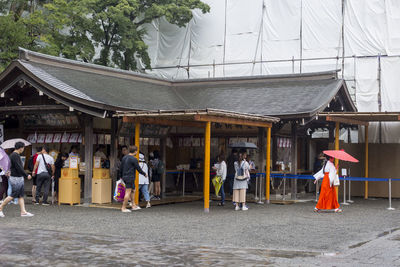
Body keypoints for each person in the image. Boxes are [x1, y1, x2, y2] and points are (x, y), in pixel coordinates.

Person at [0, 142, 34, 217]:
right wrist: (26, 175)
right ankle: (0, 207)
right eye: (23, 148)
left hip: (17, 177)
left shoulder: (14, 155)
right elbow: (19, 167)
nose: (23, 149)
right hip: (16, 178)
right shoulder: (15, 155)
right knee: (13, 195)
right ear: (21, 147)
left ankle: (23, 211)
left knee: (20, 195)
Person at [119, 146, 147, 212]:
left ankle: (133, 205)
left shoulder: (124, 157)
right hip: (130, 177)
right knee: (128, 192)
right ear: (135, 151)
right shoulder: (134, 159)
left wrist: (120, 176)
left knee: (133, 190)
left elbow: (121, 168)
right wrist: (144, 174)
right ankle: (123, 208)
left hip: (125, 177)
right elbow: (138, 168)